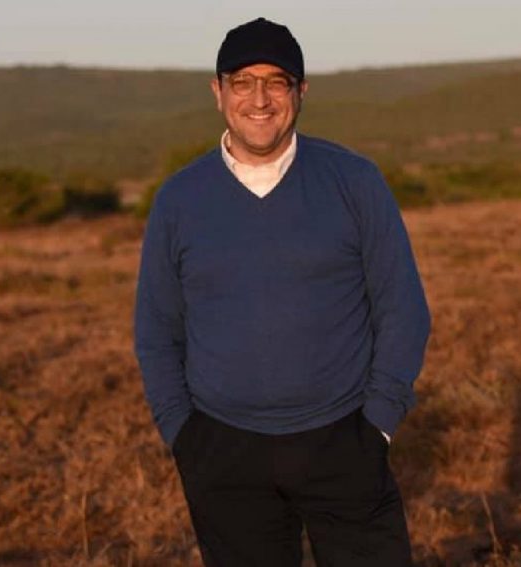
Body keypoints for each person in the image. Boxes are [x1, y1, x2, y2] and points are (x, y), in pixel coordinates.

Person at [133, 17, 431, 566]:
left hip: (344, 440)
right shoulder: (179, 199)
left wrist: (378, 427)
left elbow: (403, 308)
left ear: (301, 91)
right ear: (217, 91)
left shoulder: (355, 182)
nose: (259, 99)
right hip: (222, 450)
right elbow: (156, 328)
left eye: (276, 82)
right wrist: (184, 434)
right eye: (242, 82)